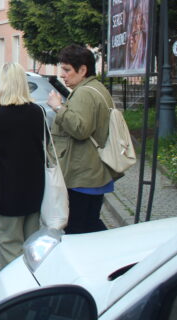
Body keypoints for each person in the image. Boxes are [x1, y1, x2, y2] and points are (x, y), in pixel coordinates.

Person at [47, 44, 119, 234]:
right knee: (90, 224)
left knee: (79, 229)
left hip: (82, 175)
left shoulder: (84, 93)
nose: (63, 75)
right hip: (91, 173)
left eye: (67, 70)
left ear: (83, 70)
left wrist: (58, 108)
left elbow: (80, 129)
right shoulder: (96, 88)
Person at [0, 63, 45, 266]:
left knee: (10, 243)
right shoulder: (37, 112)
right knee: (32, 241)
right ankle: (34, 285)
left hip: (6, 188)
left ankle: (17, 290)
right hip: (34, 187)